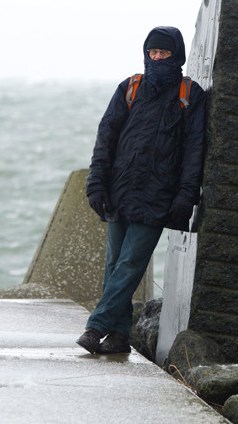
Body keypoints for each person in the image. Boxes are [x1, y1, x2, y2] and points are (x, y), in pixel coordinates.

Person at [76, 25, 206, 354]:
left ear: (177, 55)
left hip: (158, 196)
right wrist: (96, 183)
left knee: (131, 263)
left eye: (164, 53)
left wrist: (185, 196)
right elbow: (106, 138)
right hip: (119, 189)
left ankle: (96, 326)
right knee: (114, 264)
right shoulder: (130, 88)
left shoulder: (190, 95)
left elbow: (195, 151)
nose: (157, 57)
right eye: (152, 52)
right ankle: (119, 337)